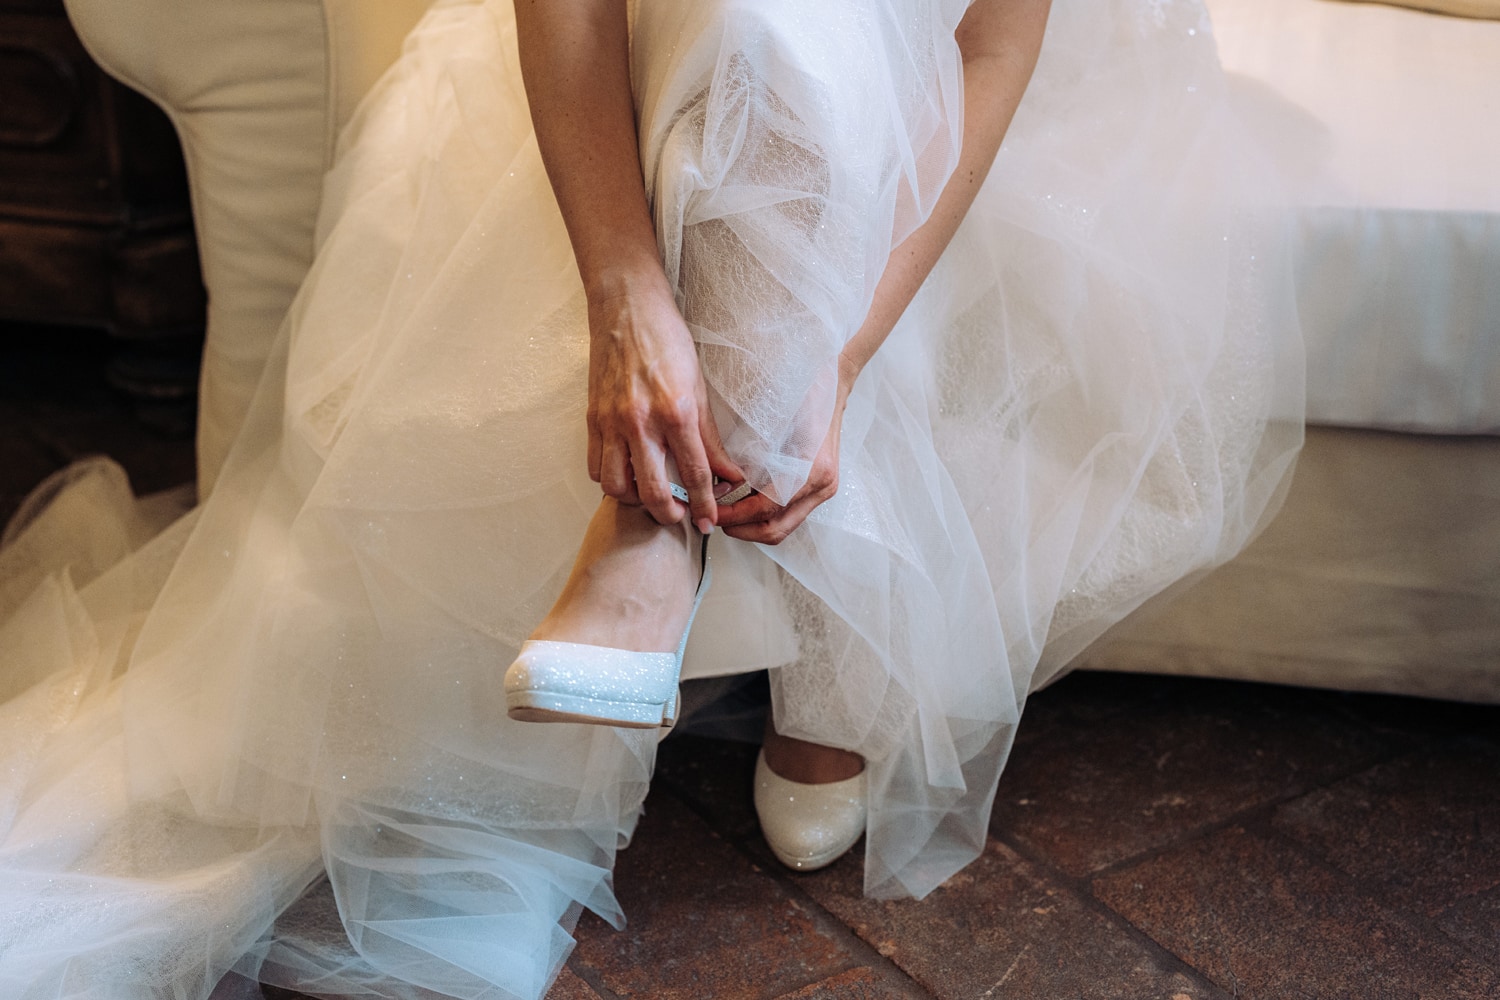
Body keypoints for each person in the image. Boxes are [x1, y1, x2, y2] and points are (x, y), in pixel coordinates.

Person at [0, 0, 1301, 998]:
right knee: (755, 28)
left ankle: (656, 529)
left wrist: (844, 357)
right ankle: (730, 577)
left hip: (930, 116)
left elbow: (989, 46)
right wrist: (624, 298)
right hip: (632, 52)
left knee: (815, 44)